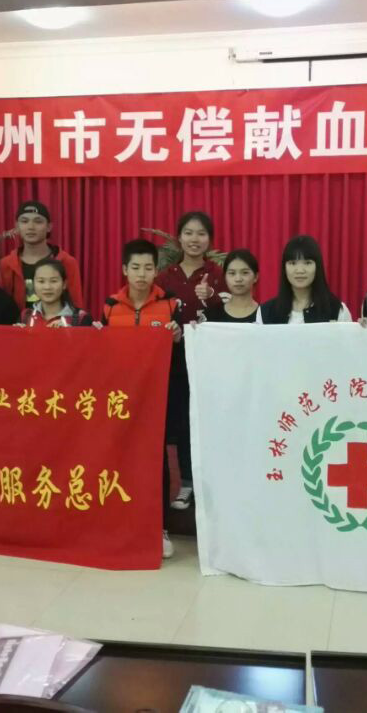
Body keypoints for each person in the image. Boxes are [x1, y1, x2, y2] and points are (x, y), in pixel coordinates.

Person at [101, 238, 182, 559]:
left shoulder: (170, 304)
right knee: (119, 457)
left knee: (155, 460)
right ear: (124, 269)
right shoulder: (110, 306)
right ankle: (118, 523)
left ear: (156, 270)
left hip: (157, 396)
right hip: (120, 397)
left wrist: (178, 337)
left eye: (148, 267)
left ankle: (158, 527)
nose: (141, 274)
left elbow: (181, 355)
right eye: (135, 267)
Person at [156, 212, 228, 510]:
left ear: (209, 239)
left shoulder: (218, 273)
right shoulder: (165, 277)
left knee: (208, 422)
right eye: (188, 233)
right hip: (173, 362)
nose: (194, 239)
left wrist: (212, 296)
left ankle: (213, 483)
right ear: (179, 238)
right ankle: (186, 482)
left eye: (201, 233)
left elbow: (230, 316)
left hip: (210, 363)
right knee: (182, 423)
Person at [0, 201, 83, 311]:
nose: (30, 227)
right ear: (17, 226)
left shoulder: (66, 262)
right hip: (17, 321)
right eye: (24, 221)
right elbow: (1, 306)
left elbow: (76, 305)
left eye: (38, 222)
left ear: (49, 227)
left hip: (57, 321)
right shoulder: (6, 264)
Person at [257, 235, 352, 323]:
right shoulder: (265, 312)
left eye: (307, 263)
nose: (300, 270)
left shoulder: (337, 310)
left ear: (317, 267)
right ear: (284, 268)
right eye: (293, 263)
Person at [20, 258, 93, 328]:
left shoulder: (81, 318)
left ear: (64, 284)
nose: (47, 287)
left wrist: (69, 331)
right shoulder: (25, 316)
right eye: (41, 281)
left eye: (53, 281)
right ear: (33, 284)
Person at [206, 249, 260, 323]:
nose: (238, 279)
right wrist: (195, 328)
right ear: (225, 277)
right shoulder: (211, 315)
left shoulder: (266, 315)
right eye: (232, 273)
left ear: (256, 277)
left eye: (245, 273)